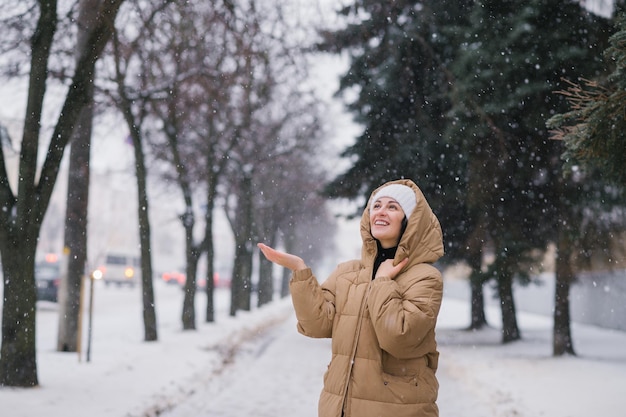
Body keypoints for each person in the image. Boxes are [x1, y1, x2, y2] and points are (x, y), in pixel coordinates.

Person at [257, 179, 444, 417]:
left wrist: (382, 283)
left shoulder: (425, 278)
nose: (381, 212)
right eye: (376, 206)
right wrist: (300, 271)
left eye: (393, 207)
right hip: (340, 407)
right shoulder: (347, 273)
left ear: (409, 221)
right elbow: (316, 325)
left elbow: (399, 337)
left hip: (397, 409)